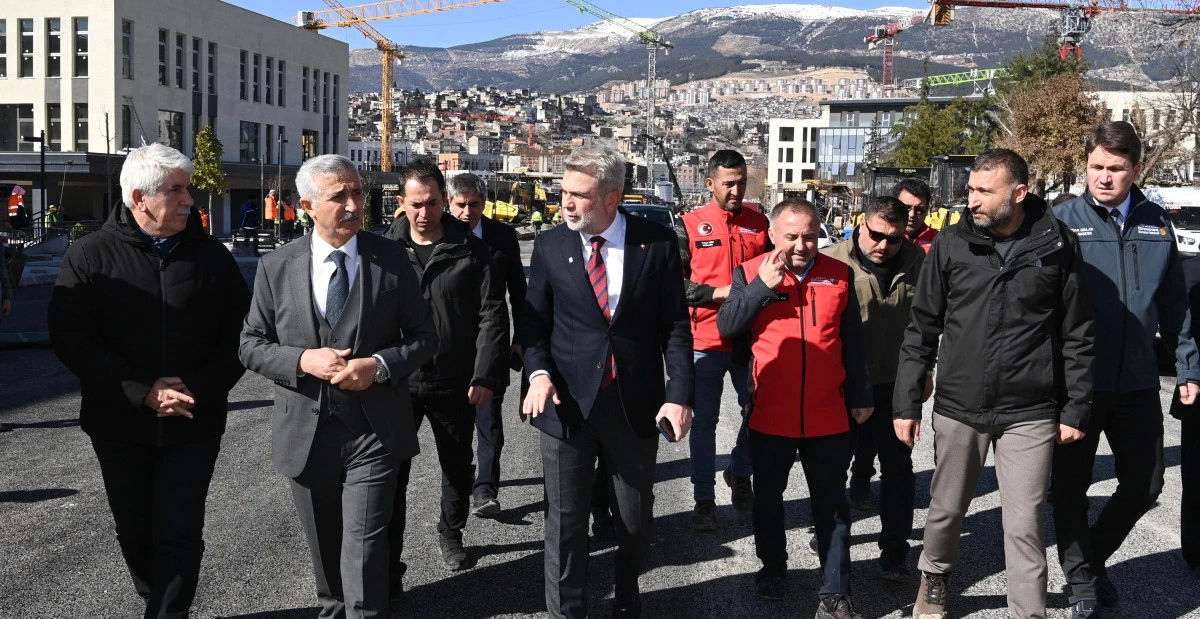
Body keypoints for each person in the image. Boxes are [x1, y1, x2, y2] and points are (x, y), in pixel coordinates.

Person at [47, 143, 251, 619]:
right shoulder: (89, 256)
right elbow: (72, 338)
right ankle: (155, 599)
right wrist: (142, 391)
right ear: (140, 198)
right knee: (134, 531)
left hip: (193, 422)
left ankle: (167, 612)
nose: (190, 200)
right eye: (177, 190)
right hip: (119, 423)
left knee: (179, 532)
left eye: (189, 188)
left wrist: (195, 389)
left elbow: (242, 334)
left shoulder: (212, 258)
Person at [894, 149, 1094, 619]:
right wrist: (906, 403)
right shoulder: (951, 243)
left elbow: (1078, 333)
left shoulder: (1057, 243)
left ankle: (1030, 612)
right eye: (971, 190)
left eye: (985, 191)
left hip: (1030, 409)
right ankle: (936, 576)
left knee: (1025, 523)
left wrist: (1075, 408)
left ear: (1019, 193)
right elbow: (921, 326)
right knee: (946, 509)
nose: (973, 200)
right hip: (961, 405)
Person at [239, 154, 437, 619]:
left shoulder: (390, 259)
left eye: (358, 193)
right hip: (307, 434)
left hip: (374, 432)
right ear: (307, 204)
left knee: (366, 543)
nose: (353, 204)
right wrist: (302, 359)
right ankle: (333, 609)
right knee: (325, 546)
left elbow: (426, 337)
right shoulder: (276, 267)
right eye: (338, 196)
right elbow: (250, 344)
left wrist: (380, 365)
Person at [522, 145, 694, 619]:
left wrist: (679, 396)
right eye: (564, 193)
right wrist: (537, 374)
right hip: (566, 405)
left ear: (612, 198)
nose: (567, 204)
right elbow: (534, 325)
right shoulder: (552, 245)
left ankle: (628, 597)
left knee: (634, 522)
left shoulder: (655, 244)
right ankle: (567, 612)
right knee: (566, 524)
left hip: (632, 404)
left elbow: (676, 328)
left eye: (579, 195)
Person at [1051, 120, 1200, 616]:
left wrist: (1188, 369)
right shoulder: (1061, 221)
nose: (1105, 177)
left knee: (1145, 484)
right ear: (1085, 165)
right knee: (1069, 489)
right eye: (1096, 167)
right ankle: (1084, 585)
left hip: (1136, 381)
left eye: (1116, 168)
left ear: (1135, 169)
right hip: (1077, 384)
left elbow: (1175, 304)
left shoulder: (1158, 223)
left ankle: (1087, 561)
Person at [716, 199, 871, 617]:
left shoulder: (839, 275)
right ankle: (772, 569)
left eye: (809, 235)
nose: (802, 245)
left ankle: (835, 592)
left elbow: (852, 344)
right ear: (771, 234)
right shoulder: (750, 274)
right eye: (791, 236)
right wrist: (760, 288)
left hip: (827, 415)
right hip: (771, 414)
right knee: (769, 498)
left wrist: (861, 396)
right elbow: (728, 326)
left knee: (832, 503)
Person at [383, 161, 508, 575]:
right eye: (415, 204)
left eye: (433, 203)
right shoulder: (384, 250)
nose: (425, 213)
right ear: (401, 204)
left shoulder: (474, 252)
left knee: (456, 466)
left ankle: (451, 534)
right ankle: (388, 559)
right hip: (398, 381)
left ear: (443, 201)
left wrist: (485, 373)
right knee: (391, 473)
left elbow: (492, 315)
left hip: (454, 380)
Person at [822, 195, 927, 581]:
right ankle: (832, 543)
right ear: (860, 225)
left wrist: (925, 372)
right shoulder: (831, 261)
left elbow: (930, 322)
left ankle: (894, 555)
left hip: (896, 388)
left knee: (899, 471)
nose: (884, 246)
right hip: (843, 387)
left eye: (894, 238)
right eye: (877, 235)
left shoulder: (919, 263)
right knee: (832, 470)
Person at [677, 149, 771, 529]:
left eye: (742, 183)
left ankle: (739, 470)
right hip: (705, 340)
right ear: (710, 183)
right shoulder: (688, 224)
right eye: (729, 183)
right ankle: (703, 499)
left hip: (750, 341)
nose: (736, 190)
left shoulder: (759, 224)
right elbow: (676, 285)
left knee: (760, 412)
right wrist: (721, 294)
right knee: (703, 424)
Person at [445, 173, 528, 518]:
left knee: (489, 418)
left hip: (491, 343)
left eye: (474, 204)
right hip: (447, 347)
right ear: (450, 204)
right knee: (452, 424)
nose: (467, 212)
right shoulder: (437, 235)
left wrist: (522, 338)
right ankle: (459, 481)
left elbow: (519, 293)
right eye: (460, 205)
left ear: (484, 203)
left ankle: (486, 488)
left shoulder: (502, 237)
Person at [1173, 256, 1200, 582]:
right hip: (1198, 391)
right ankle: (1195, 552)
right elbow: (1181, 329)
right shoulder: (1190, 271)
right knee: (1196, 479)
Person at [894, 179, 936, 253]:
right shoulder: (878, 236)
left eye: (919, 209)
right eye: (906, 208)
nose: (912, 214)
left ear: (927, 210)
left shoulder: (938, 240)